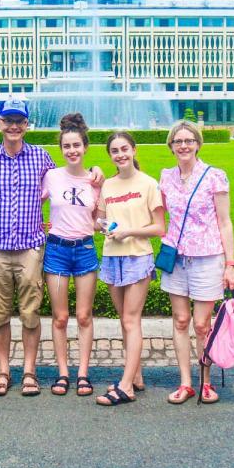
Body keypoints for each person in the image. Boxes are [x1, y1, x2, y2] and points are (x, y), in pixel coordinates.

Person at [0, 99, 103, 397]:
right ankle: (3, 371)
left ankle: (29, 371)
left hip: (30, 249)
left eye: (19, 121)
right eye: (8, 120)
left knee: (30, 314)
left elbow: (69, 177)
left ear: (26, 125)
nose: (13, 126)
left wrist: (96, 170)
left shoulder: (41, 157)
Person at [159, 120, 234, 405]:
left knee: (202, 324)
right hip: (176, 257)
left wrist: (230, 263)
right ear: (171, 146)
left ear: (198, 144)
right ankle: (185, 382)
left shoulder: (215, 176)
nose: (183, 146)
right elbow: (157, 212)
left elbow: (225, 222)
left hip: (207, 258)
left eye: (188, 141)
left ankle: (206, 381)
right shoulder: (166, 177)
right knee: (180, 321)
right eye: (178, 141)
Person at [95, 132, 165, 406]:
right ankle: (135, 376)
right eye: (114, 151)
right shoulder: (108, 186)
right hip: (112, 256)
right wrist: (105, 227)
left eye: (124, 149)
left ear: (134, 150)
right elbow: (99, 221)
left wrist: (128, 232)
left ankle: (125, 387)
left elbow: (159, 227)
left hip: (137, 256)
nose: (120, 154)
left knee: (131, 320)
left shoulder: (148, 183)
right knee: (124, 320)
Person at [42, 113, 100, 396]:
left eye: (76, 145)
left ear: (85, 147)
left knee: (84, 316)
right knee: (61, 317)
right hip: (57, 250)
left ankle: (83, 373)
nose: (72, 150)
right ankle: (63, 373)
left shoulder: (95, 180)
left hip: (85, 250)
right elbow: (28, 199)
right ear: (61, 149)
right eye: (67, 146)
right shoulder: (52, 176)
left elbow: (99, 219)